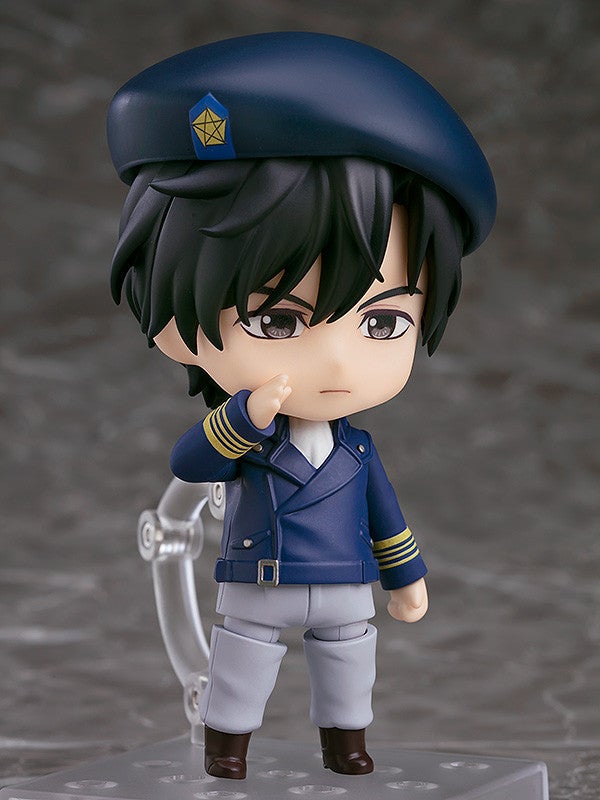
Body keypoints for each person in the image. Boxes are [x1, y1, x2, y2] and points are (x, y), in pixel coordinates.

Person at [107, 32, 496, 780]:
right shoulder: (246, 433)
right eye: (280, 321)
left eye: (383, 322)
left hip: (345, 581)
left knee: (350, 665)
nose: (338, 363)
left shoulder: (357, 450)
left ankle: (346, 744)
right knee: (243, 664)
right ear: (174, 327)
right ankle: (227, 746)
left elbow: (386, 516)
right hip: (259, 578)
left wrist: (406, 577)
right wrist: (239, 422)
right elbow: (190, 461)